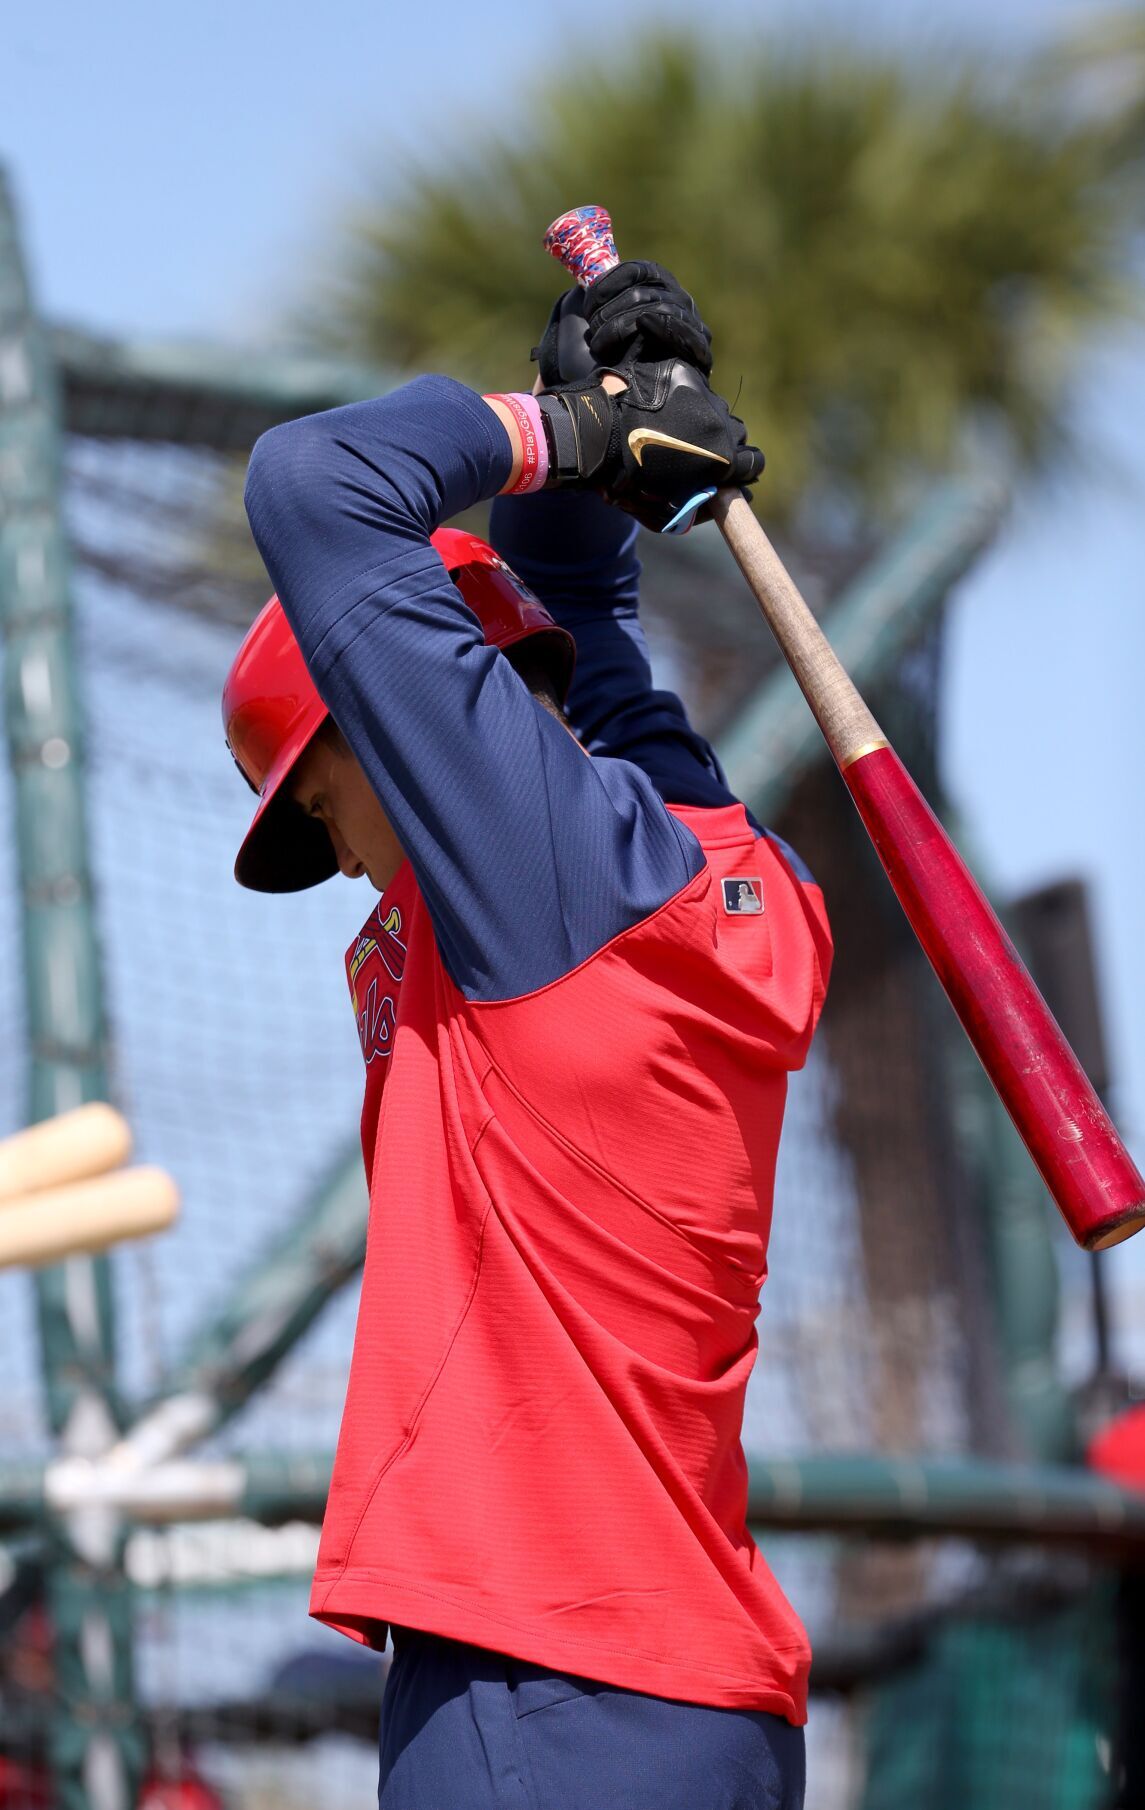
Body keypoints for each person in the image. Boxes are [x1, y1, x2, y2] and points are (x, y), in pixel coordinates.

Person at [222, 263, 832, 1810]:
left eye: (321, 795)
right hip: (702, 1699)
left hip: (536, 1679)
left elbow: (318, 481)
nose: (341, 848)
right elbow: (585, 631)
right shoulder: (706, 864)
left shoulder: (527, 886)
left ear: (406, 730)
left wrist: (563, 426)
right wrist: (597, 434)